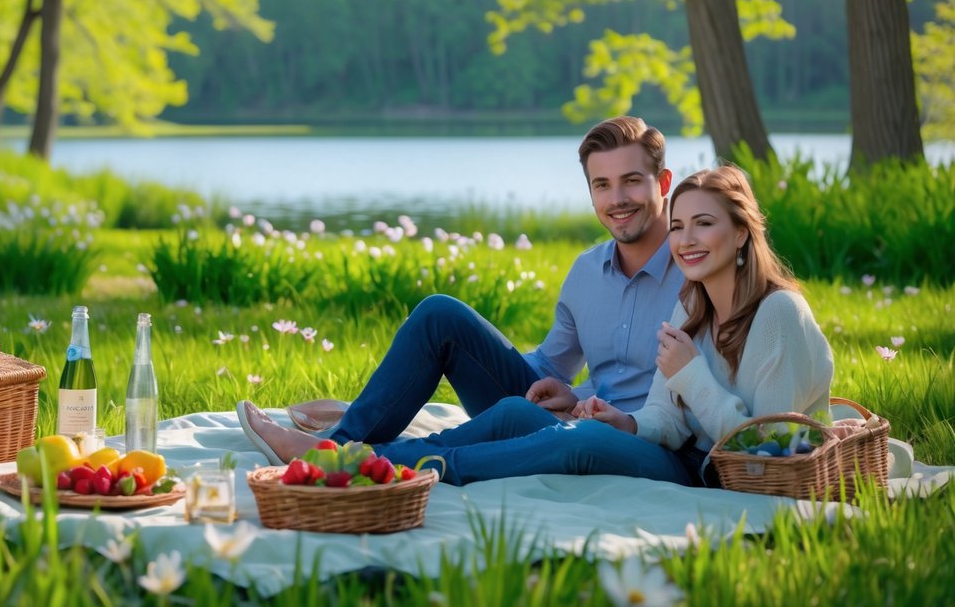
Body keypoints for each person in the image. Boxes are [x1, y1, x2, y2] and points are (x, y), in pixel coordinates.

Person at [243, 165, 835, 486]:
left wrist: (693, 379)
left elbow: (774, 451)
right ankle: (356, 456)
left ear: (741, 233)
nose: (684, 239)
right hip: (666, 448)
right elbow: (659, 419)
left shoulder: (778, 314)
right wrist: (619, 417)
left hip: (709, 475)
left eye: (702, 224)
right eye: (678, 226)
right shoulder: (691, 306)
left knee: (572, 444)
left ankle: (403, 473)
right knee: (509, 414)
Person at [238, 115, 684, 462]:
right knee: (440, 314)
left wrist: (583, 400)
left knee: (517, 415)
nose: (617, 200)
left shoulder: (695, 273)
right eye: (602, 185)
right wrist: (469, 371)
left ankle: (339, 450)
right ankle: (350, 433)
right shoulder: (587, 272)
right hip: (571, 414)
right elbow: (552, 365)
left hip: (630, 436)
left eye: (631, 181)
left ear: (662, 183)